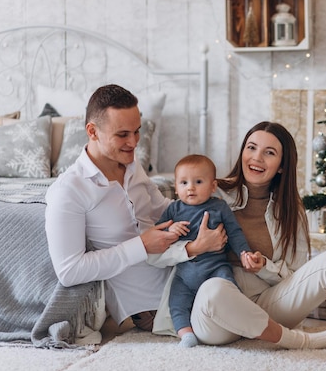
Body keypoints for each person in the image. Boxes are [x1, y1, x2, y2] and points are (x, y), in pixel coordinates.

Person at [150, 121, 326, 363]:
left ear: (282, 166)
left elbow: (294, 276)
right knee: (214, 289)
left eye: (269, 152)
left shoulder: (290, 211)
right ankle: (305, 341)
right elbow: (154, 251)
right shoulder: (207, 189)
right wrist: (194, 248)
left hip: (268, 302)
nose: (256, 157)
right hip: (213, 313)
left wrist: (264, 266)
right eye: (251, 148)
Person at [45, 84, 228, 332]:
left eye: (137, 132)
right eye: (122, 135)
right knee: (239, 321)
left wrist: (208, 215)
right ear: (92, 131)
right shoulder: (69, 191)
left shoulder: (132, 166)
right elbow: (69, 271)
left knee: (262, 293)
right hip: (158, 307)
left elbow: (160, 209)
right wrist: (142, 246)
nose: (133, 143)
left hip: (189, 271)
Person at [155, 154, 252, 348]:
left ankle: (241, 321)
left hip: (215, 268)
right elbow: (158, 233)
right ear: (176, 187)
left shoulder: (219, 207)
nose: (190, 187)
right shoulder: (174, 210)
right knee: (177, 303)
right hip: (185, 273)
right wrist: (169, 230)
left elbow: (234, 233)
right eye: (183, 182)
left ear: (213, 186)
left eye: (198, 182)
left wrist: (244, 253)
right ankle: (186, 334)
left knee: (229, 290)